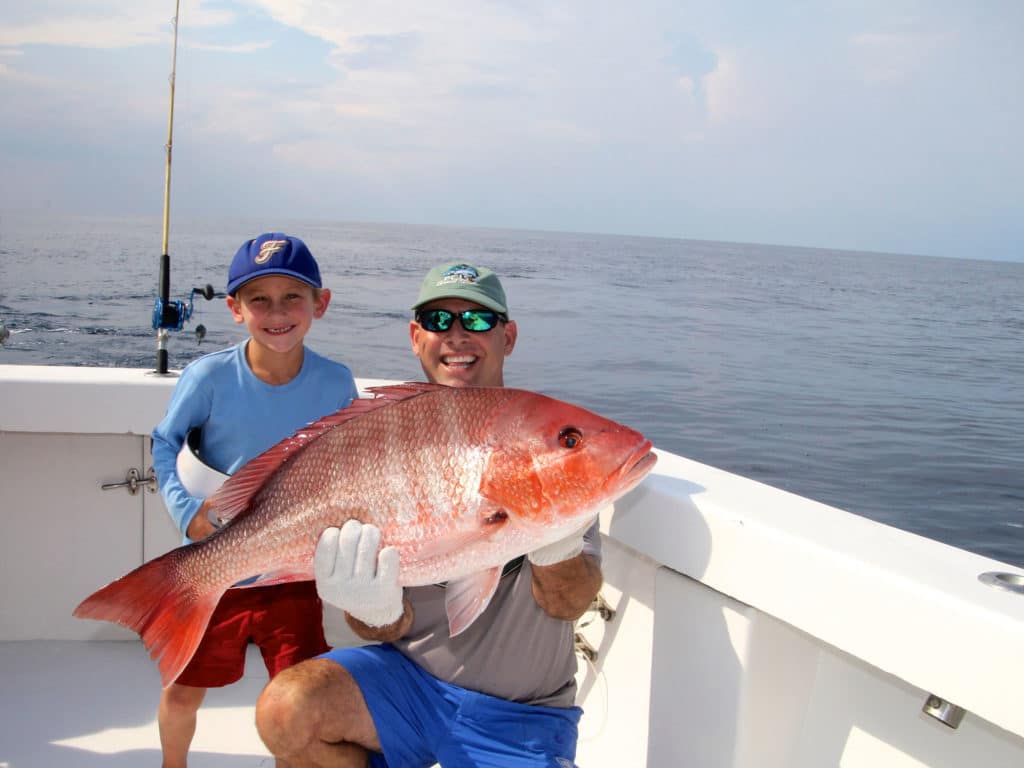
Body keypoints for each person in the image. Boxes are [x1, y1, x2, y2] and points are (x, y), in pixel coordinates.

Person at [255, 262, 603, 767]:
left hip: (521, 717)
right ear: (417, 338)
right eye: (438, 322)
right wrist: (371, 609)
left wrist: (556, 544)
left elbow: (569, 602)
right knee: (287, 711)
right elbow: (385, 629)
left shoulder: (544, 438)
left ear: (509, 337)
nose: (457, 336)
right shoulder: (382, 437)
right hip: (408, 687)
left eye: (478, 322)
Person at [150, 233, 358, 768]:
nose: (277, 312)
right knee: (183, 688)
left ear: (322, 303)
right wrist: (183, 509)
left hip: (292, 572)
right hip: (214, 569)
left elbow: (348, 465)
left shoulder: (337, 383)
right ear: (235, 310)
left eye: (293, 296)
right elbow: (164, 443)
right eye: (259, 299)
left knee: (301, 698)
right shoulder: (209, 377)